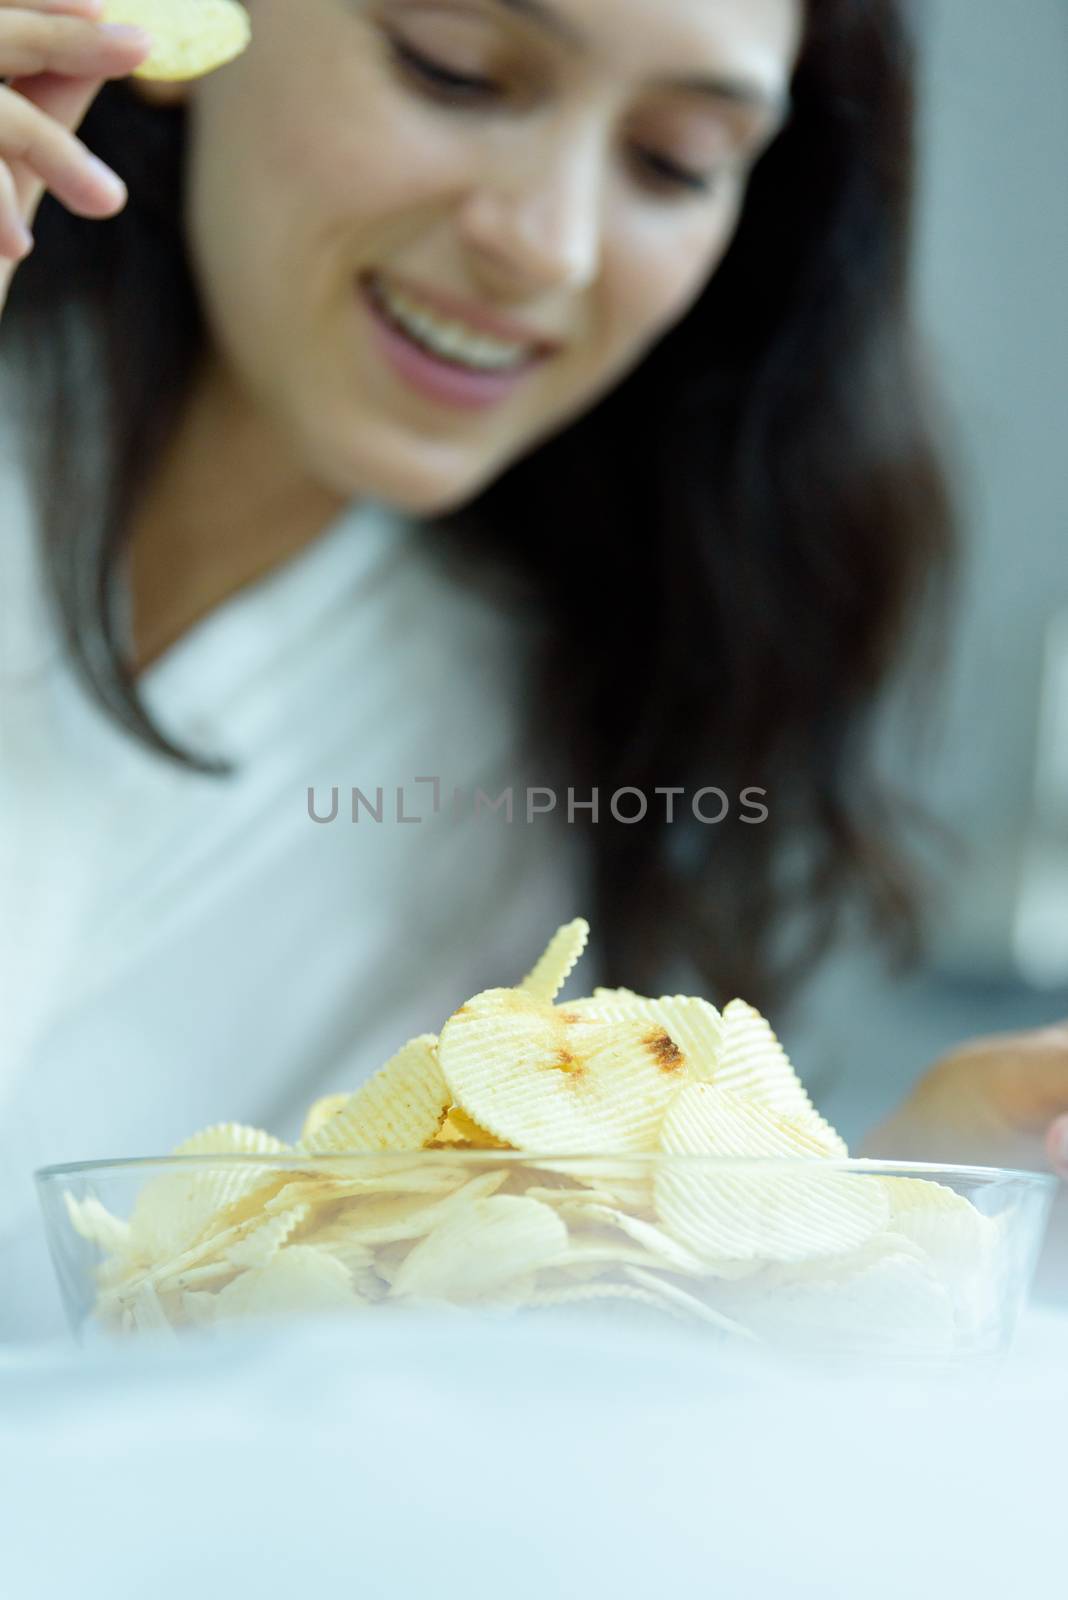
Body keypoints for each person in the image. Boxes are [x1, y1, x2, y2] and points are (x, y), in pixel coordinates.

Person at [0, 0, 1063, 1338]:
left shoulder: (558, 740)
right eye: (454, 70)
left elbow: (334, 1378)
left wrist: (865, 1252)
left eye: (676, 160)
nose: (545, 247)